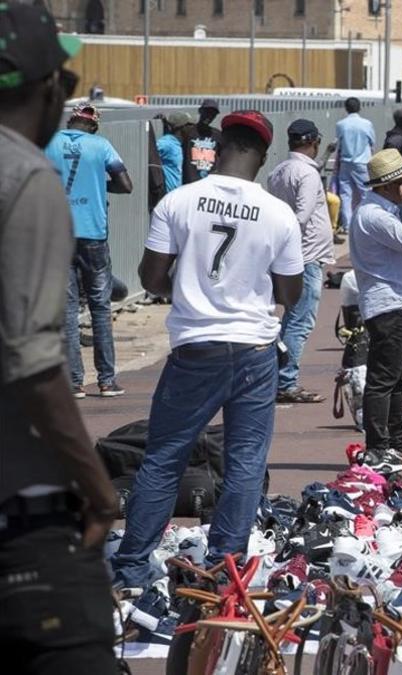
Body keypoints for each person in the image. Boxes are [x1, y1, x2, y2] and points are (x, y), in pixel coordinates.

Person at [111, 110, 304, 593]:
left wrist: (193, 284)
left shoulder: (179, 202)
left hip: (195, 347)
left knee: (164, 457)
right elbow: (291, 295)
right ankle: (224, 570)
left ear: (217, 149)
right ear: (262, 156)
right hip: (255, 350)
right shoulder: (278, 212)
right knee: (244, 461)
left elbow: (151, 279)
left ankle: (132, 569)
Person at [0, 5, 121, 669]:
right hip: (20, 505)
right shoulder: (23, 174)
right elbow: (32, 363)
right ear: (51, 87)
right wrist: (97, 487)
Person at [44, 102, 134, 399]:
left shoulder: (49, 142)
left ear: (71, 122)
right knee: (100, 306)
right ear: (94, 125)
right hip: (93, 234)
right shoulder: (101, 145)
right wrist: (98, 184)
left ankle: (74, 382)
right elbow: (126, 184)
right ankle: (107, 381)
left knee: (68, 310)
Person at [348, 149, 402, 470]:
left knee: (398, 376)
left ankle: (396, 441)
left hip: (398, 303)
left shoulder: (380, 210)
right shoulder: (375, 216)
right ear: (386, 186)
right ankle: (378, 446)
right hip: (389, 306)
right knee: (384, 378)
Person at [268, 118, 336, 404]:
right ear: (313, 141)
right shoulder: (306, 175)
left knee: (288, 322)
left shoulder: (279, 171)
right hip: (305, 257)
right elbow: (302, 216)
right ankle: (285, 382)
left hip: (286, 256)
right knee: (299, 323)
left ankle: (275, 378)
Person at [334, 96, 375, 232]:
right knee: (366, 194)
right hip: (363, 163)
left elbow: (339, 145)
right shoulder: (367, 124)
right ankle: (366, 222)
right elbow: (372, 144)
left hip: (345, 162)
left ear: (346, 109)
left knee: (346, 195)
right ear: (359, 108)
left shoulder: (341, 124)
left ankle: (347, 226)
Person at [184, 98, 220, 183]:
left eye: (213, 114)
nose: (209, 116)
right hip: (190, 182)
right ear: (200, 111)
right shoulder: (188, 132)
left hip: (210, 182)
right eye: (207, 112)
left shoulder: (217, 135)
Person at [157, 110, 192, 193]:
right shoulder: (166, 143)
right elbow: (149, 153)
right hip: (167, 195)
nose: (193, 128)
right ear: (182, 127)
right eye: (190, 125)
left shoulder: (181, 143)